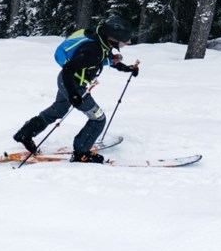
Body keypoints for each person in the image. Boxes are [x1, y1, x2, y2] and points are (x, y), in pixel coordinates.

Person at [12, 16, 140, 163]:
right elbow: (69, 69)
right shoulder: (94, 49)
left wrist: (127, 68)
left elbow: (105, 59)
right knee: (98, 118)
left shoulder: (99, 40)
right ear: (114, 38)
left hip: (65, 82)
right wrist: (73, 94)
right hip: (72, 84)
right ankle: (82, 153)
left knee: (58, 110)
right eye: (125, 41)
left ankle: (25, 134)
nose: (125, 44)